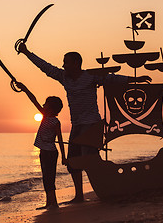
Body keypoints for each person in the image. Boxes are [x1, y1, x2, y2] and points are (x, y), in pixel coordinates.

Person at [18, 43, 152, 203]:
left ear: (76, 63)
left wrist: (135, 80)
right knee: (72, 162)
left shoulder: (91, 76)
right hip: (77, 125)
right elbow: (45, 67)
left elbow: (112, 78)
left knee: (88, 159)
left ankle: (105, 189)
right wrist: (26, 52)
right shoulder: (64, 77)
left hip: (91, 124)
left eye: (66, 62)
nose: (63, 65)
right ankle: (79, 195)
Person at [15, 81, 67, 209]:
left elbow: (60, 139)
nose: (43, 105)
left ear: (50, 108)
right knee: (46, 177)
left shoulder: (53, 120)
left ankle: (53, 203)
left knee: (49, 178)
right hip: (46, 151)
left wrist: (64, 157)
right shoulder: (47, 117)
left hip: (49, 153)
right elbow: (34, 100)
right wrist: (25, 88)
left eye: (46, 104)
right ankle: (50, 202)